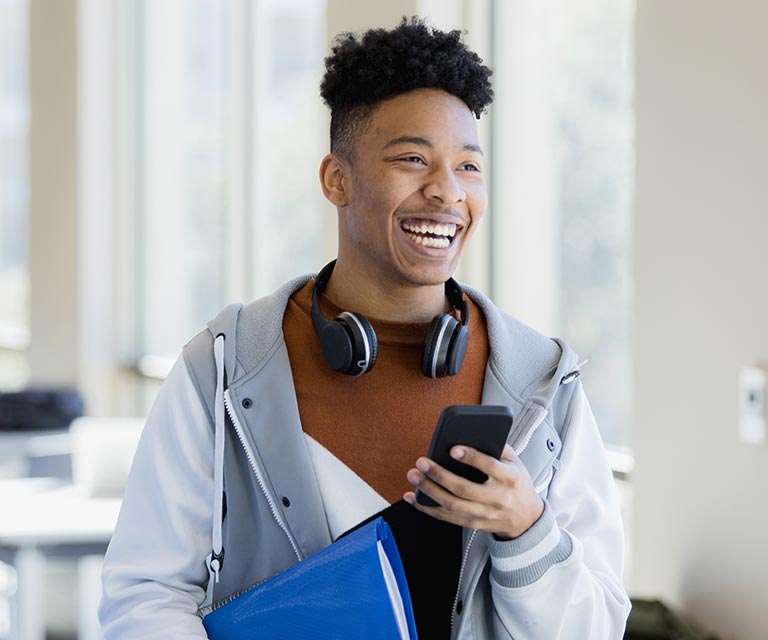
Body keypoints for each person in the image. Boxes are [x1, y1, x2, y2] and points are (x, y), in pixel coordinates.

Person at [99, 16, 631, 639]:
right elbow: (146, 597)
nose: (447, 192)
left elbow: (596, 628)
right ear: (336, 179)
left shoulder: (543, 385)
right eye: (413, 159)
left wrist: (526, 528)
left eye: (468, 166)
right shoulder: (223, 370)